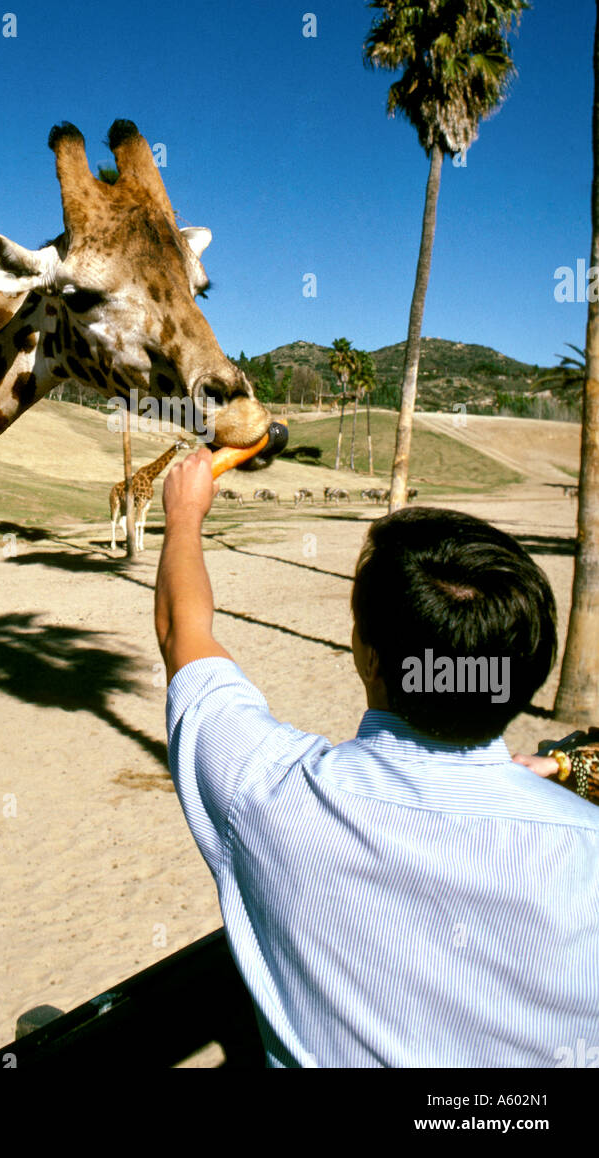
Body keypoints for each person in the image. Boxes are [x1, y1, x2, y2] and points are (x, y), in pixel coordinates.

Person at [154, 448, 599, 1069]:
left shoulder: (269, 792)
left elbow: (185, 635)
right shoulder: (586, 846)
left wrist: (183, 517)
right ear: (527, 672)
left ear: (365, 654)